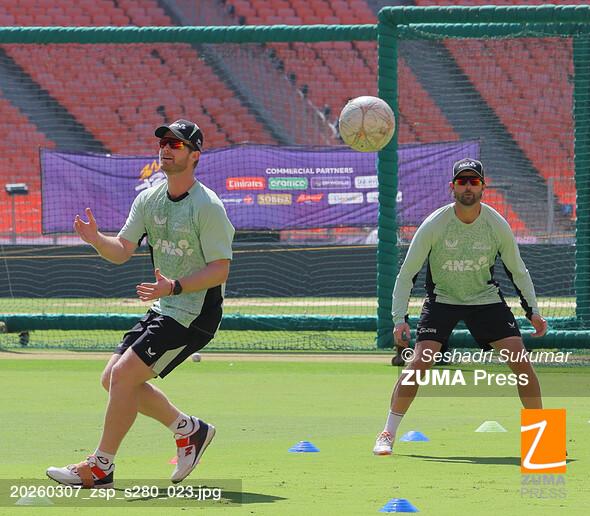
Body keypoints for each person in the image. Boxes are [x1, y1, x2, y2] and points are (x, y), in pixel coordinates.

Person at [47, 119, 235, 487]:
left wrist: (174, 287)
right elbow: (121, 250)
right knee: (112, 380)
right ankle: (189, 429)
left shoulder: (207, 206)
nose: (166, 148)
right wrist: (97, 239)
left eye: (176, 144)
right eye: (163, 142)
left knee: (122, 376)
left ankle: (100, 466)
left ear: (195, 155)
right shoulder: (148, 199)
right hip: (166, 307)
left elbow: (220, 269)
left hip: (195, 314)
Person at [373, 158, 548, 456]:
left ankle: (542, 441)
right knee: (419, 363)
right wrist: (399, 318)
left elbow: (518, 271)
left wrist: (533, 311)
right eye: (462, 181)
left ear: (483, 187)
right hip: (443, 300)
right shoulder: (435, 224)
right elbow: (407, 273)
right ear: (452, 187)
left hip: (485, 300)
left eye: (474, 181)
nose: (468, 187)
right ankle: (387, 433)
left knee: (521, 363)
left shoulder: (496, 224)